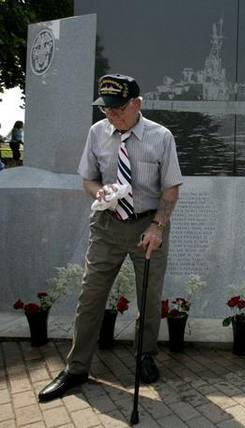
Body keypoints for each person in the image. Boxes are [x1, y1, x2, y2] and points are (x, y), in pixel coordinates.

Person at [38, 74, 183, 402]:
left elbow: (171, 188)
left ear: (137, 104)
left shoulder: (161, 137)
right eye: (107, 109)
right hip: (107, 225)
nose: (112, 115)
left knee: (149, 298)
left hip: (148, 225)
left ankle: (145, 356)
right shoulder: (97, 132)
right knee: (90, 296)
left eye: (118, 109)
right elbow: (87, 179)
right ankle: (76, 368)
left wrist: (158, 226)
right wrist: (99, 191)